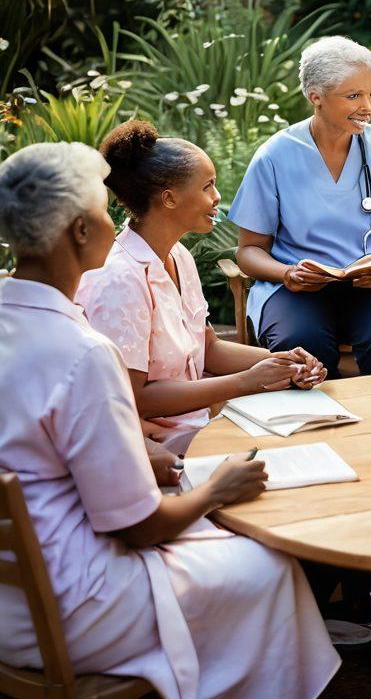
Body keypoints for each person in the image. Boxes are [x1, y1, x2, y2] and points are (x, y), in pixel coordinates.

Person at [0, 142, 340, 699]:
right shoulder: (83, 351)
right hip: (69, 608)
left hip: (14, 598)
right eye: (105, 212)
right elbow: (139, 527)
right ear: (81, 233)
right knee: (269, 569)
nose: (116, 222)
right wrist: (215, 491)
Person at [76, 121, 327, 456]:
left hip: (200, 426)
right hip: (152, 451)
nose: (217, 197)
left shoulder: (179, 257)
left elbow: (207, 348)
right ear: (169, 198)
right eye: (208, 186)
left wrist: (285, 362)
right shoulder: (119, 279)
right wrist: (246, 382)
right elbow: (134, 399)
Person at [230, 36, 371, 377]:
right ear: (316, 97)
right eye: (353, 96)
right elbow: (249, 251)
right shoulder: (275, 156)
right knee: (300, 346)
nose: (368, 106)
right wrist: (287, 273)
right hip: (297, 288)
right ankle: (318, 427)